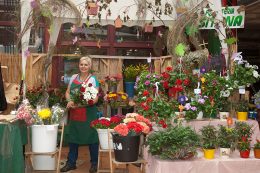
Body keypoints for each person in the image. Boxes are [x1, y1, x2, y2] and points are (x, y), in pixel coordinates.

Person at [61, 56, 99, 173]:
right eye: (81, 64)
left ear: (90, 66)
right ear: (79, 65)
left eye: (86, 65)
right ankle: (71, 163)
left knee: (92, 138)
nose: (83, 66)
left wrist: (81, 104)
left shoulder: (92, 80)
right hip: (75, 113)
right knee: (73, 137)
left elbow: (95, 98)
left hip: (88, 113)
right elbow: (67, 92)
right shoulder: (73, 78)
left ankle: (94, 163)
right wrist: (69, 101)